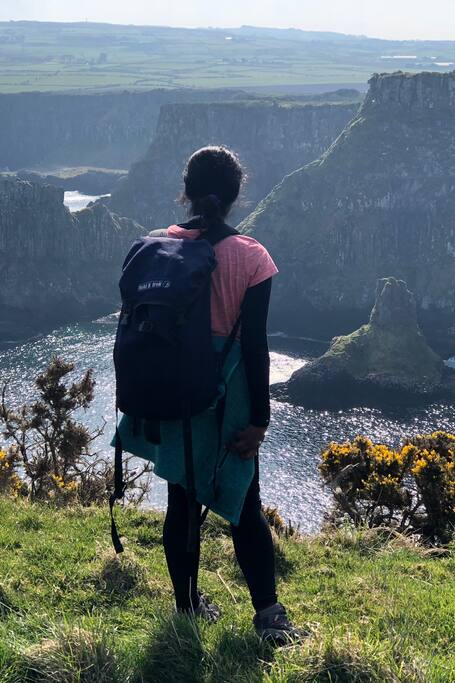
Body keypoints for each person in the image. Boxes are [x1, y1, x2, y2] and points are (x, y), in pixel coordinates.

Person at [158, 145, 304, 644]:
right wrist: (260, 419)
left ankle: (187, 608)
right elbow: (257, 347)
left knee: (180, 500)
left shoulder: (163, 247)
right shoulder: (252, 257)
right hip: (229, 400)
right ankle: (269, 618)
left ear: (187, 192)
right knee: (244, 504)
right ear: (237, 195)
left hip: (177, 394)